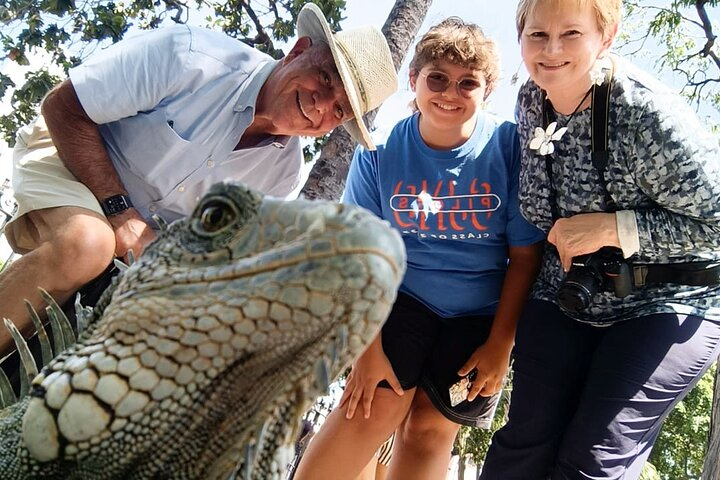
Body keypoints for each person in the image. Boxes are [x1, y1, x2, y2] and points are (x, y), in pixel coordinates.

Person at [0, 2, 397, 356]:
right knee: (87, 244)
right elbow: (63, 107)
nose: (320, 105)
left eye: (339, 110)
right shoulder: (190, 56)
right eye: (325, 79)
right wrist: (121, 214)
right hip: (68, 158)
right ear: (298, 51)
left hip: (142, 242)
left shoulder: (282, 175)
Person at [293, 17, 545, 480]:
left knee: (430, 427)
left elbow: (525, 256)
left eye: (467, 82)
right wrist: (366, 353)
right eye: (438, 79)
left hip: (480, 312)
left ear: (486, 90)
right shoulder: (380, 156)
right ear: (414, 81)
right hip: (399, 299)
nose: (450, 92)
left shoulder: (508, 148)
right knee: (373, 405)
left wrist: (500, 346)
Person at [479, 1, 720, 479]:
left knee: (593, 457)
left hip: (669, 298)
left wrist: (616, 228)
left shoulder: (645, 114)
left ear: (605, 37)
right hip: (567, 291)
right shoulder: (531, 98)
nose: (550, 51)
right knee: (522, 445)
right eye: (537, 35)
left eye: (571, 34)